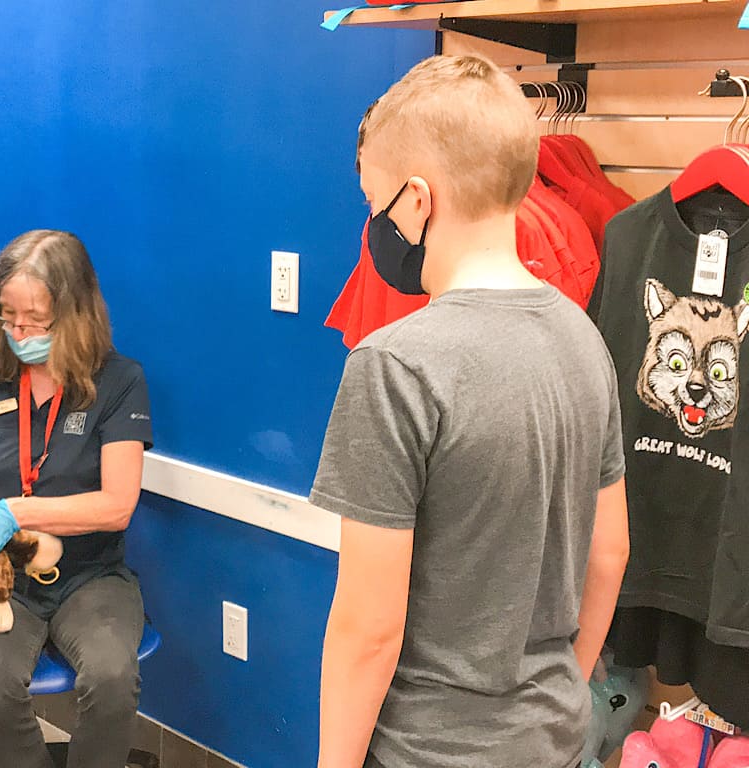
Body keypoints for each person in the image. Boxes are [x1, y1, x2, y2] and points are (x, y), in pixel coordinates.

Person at [310, 55, 630, 768]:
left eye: (375, 203)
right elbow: (610, 554)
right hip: (551, 736)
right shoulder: (585, 339)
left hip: (425, 750)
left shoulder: (394, 365)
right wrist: (564, 690)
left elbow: (369, 629)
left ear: (417, 201)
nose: (375, 223)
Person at [0, 229, 153, 768]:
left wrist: (11, 513)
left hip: (91, 574)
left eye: (35, 319)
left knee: (113, 679)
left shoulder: (120, 381)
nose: (18, 330)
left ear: (75, 314)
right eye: (7, 315)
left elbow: (117, 505)